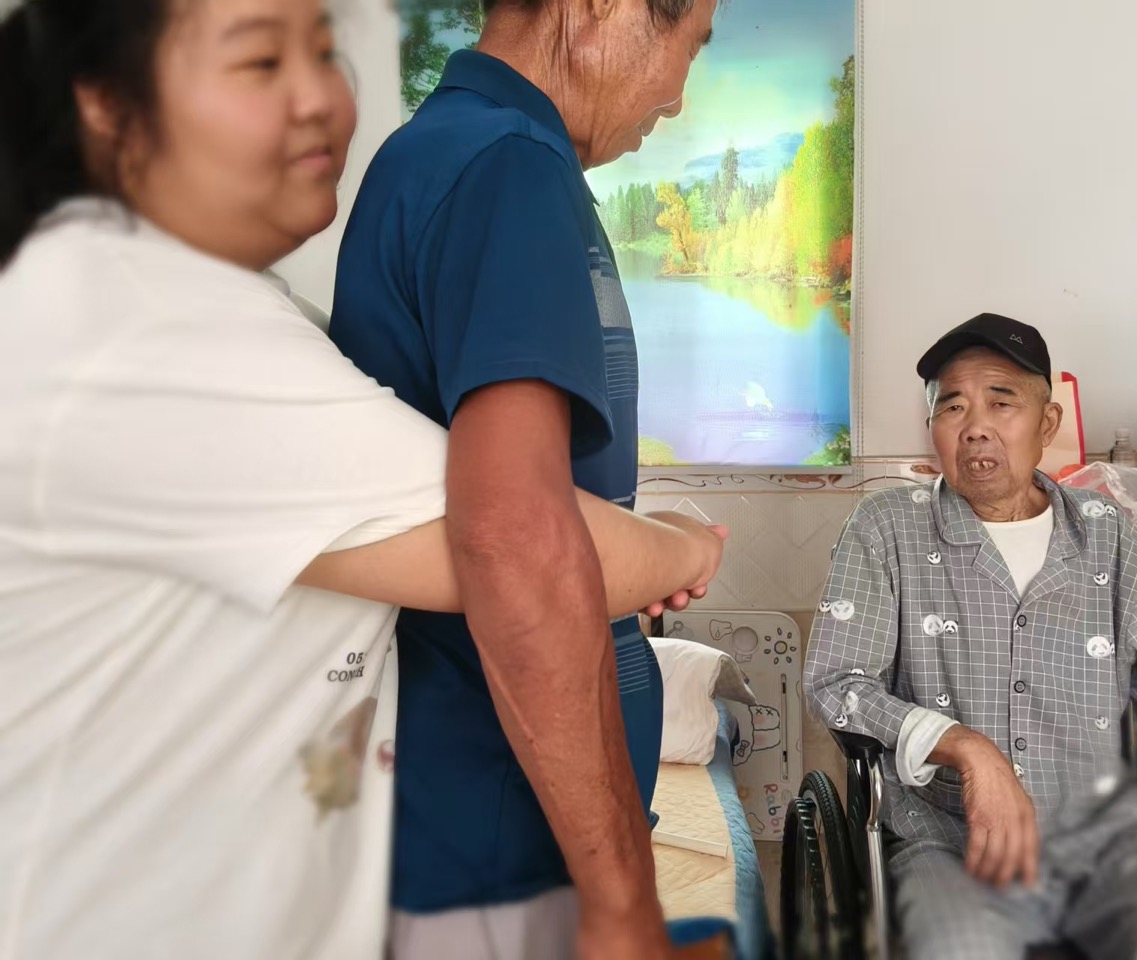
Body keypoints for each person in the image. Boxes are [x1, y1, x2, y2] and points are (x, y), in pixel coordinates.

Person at [0, 2, 725, 959]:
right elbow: (515, 541)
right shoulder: (148, 345)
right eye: (260, 64)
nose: (327, 99)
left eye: (321, 51)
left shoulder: (245, 318)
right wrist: (688, 549)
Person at [328, 1, 717, 956]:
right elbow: (513, 540)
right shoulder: (507, 165)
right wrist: (621, 897)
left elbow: (518, 501)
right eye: (690, 43)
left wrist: (651, 544)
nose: (677, 94)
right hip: (496, 836)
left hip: (487, 818)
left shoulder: (466, 152)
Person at [805, 312, 1137, 960]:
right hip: (948, 841)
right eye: (953, 406)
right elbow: (837, 682)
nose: (975, 425)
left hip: (1108, 845)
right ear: (933, 426)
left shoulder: (1103, 530)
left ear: (1047, 423)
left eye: (1001, 402)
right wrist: (966, 747)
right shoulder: (886, 527)